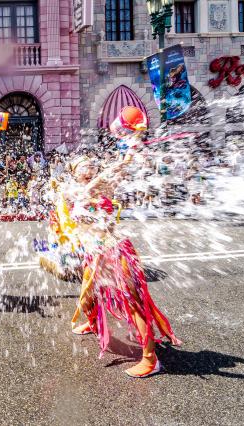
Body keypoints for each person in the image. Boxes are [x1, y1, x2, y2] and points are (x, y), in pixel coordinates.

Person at [65, 155, 181, 378]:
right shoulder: (73, 192)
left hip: (115, 251)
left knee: (134, 303)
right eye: (83, 166)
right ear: (74, 172)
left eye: (92, 165)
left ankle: (151, 360)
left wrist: (127, 157)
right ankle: (93, 324)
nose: (89, 169)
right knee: (87, 299)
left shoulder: (101, 187)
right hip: (94, 254)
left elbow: (112, 173)